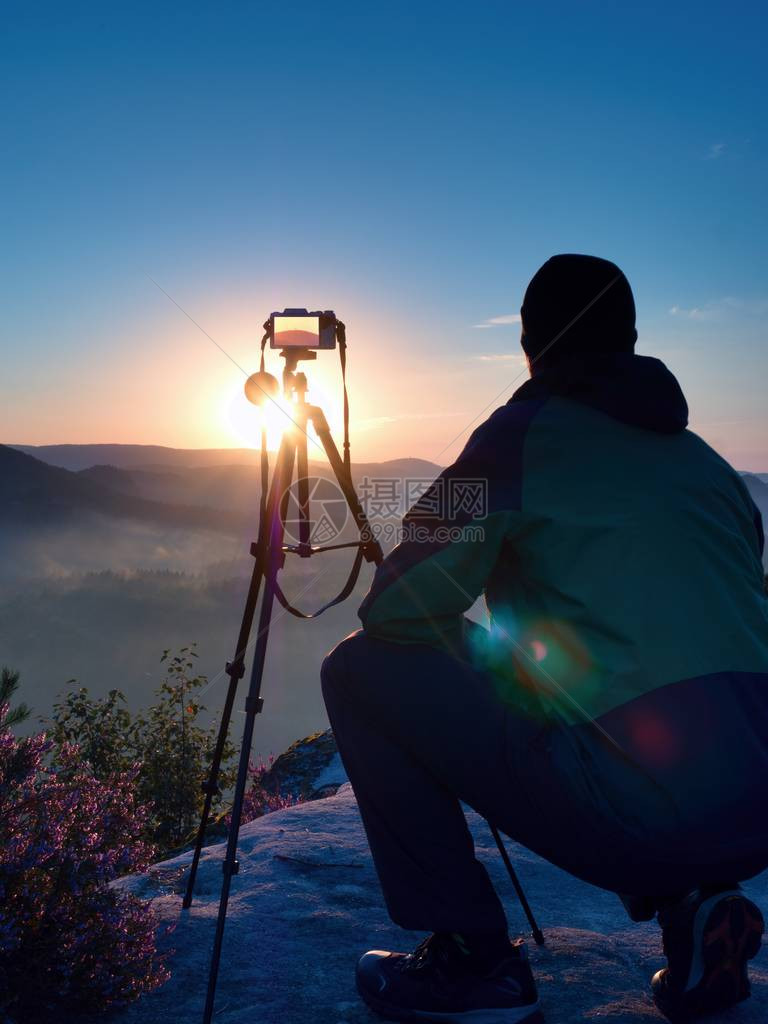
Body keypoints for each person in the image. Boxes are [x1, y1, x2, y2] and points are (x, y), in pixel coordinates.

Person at [321, 254, 768, 1023]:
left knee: (360, 670)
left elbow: (396, 609)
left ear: (529, 347)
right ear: (631, 342)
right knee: (624, 691)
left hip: (641, 813)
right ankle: (695, 908)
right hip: (755, 805)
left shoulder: (516, 440)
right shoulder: (710, 468)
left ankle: (471, 961)